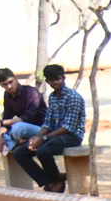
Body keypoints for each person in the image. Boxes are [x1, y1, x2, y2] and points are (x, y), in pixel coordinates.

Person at [11, 64, 86, 193]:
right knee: (20, 153)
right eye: (51, 80)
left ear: (63, 77)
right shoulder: (52, 97)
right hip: (55, 135)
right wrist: (37, 137)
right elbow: (48, 123)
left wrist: (44, 138)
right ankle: (50, 180)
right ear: (47, 81)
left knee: (43, 151)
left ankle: (56, 181)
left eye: (57, 79)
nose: (55, 82)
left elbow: (68, 127)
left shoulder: (73, 97)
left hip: (72, 136)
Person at [0, 68, 47, 156]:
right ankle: (12, 146)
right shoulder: (7, 95)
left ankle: (12, 144)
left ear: (16, 78)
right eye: (5, 84)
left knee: (18, 127)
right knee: (0, 132)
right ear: (1, 85)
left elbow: (28, 118)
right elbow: (7, 117)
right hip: (22, 131)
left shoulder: (31, 92)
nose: (9, 86)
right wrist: (0, 135)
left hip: (41, 130)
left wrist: (1, 122)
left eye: (10, 82)